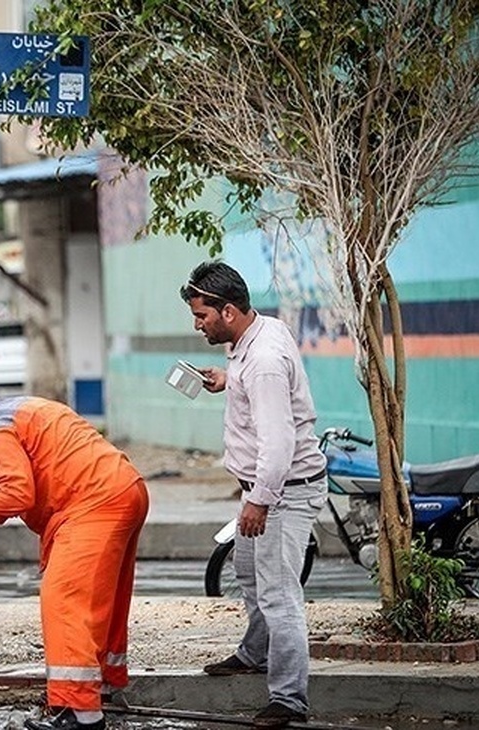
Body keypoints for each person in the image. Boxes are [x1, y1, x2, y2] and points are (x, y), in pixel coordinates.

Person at [0, 370, 149, 730]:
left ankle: (82, 715)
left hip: (94, 502)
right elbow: (35, 478)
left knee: (64, 600)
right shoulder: (17, 409)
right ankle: (100, 688)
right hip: (123, 489)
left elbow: (18, 494)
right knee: (102, 601)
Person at [179, 261, 327, 730]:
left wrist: (260, 500)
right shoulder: (257, 335)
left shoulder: (261, 361)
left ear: (227, 312)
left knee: (280, 594)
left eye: (201, 316)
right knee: (247, 571)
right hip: (264, 491)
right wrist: (227, 380)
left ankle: (289, 699)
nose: (196, 324)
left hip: (280, 494)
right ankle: (254, 652)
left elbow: (278, 442)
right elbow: (261, 389)